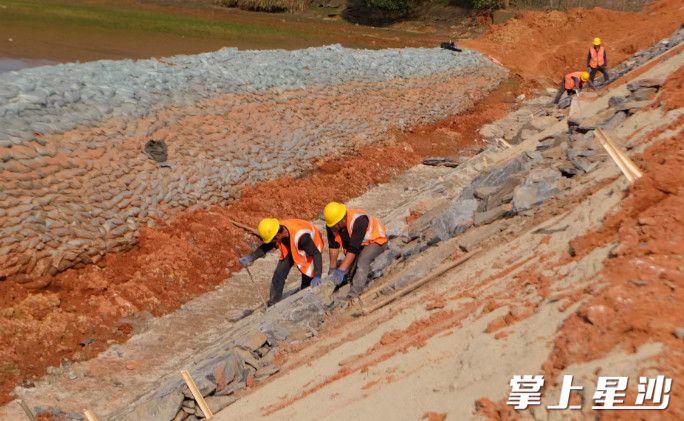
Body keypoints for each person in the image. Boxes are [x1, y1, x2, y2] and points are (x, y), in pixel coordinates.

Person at [239, 218, 324, 306]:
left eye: (273, 240)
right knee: (279, 274)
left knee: (307, 273)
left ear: (278, 235)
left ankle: (305, 293)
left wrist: (317, 275)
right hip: (292, 244)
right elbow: (267, 246)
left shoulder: (302, 237)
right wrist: (251, 257)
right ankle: (274, 303)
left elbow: (316, 254)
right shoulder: (275, 229)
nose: (273, 243)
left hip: (312, 244)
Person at [323, 202, 388, 300]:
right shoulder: (332, 224)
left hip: (377, 241)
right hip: (360, 245)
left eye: (334, 226)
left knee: (362, 261)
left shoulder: (359, 220)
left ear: (341, 221)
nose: (333, 229)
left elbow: (353, 249)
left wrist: (341, 270)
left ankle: (353, 295)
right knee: (349, 272)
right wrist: (332, 268)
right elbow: (333, 246)